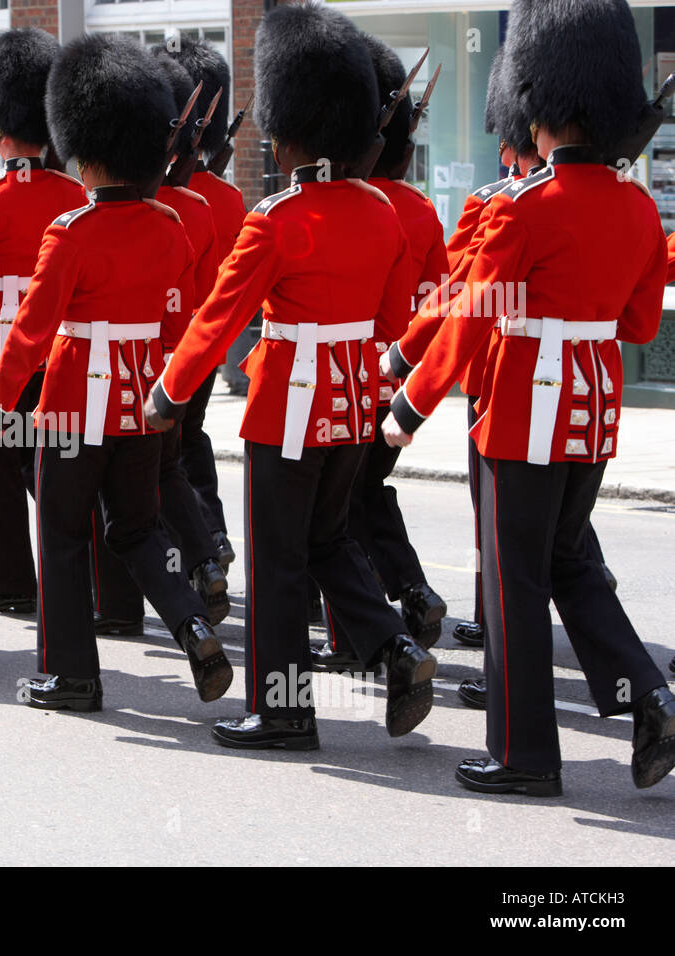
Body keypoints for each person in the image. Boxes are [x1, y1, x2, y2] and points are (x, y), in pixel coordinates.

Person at [383, 0, 675, 795]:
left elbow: (472, 316)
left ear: (538, 105)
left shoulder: (521, 206)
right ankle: (649, 695)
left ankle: (524, 755)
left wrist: (410, 403)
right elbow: (641, 320)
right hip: (592, 409)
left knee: (516, 581)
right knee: (572, 561)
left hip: (523, 411)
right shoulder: (641, 208)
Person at [146, 1, 437, 750]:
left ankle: (283, 711)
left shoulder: (277, 219)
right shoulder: (380, 211)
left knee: (279, 561)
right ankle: (393, 648)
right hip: (351, 400)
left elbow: (217, 317)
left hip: (289, 408)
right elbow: (386, 320)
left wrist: (171, 390)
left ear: (292, 133)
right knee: (331, 540)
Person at [0, 33, 231, 713]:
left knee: (61, 536)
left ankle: (71, 675)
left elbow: (32, 327)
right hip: (140, 401)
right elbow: (179, 323)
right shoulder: (169, 225)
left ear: (83, 152)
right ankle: (193, 625)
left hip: (69, 408)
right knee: (136, 529)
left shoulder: (70, 231)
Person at [311, 32, 448, 673]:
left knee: (337, 514)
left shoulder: (358, 208)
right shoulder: (419, 209)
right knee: (365, 497)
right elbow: (438, 298)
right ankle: (414, 592)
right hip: (396, 377)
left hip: (351, 373)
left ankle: (355, 637)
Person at [89, 50, 228, 633]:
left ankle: (128, 600)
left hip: (131, 367)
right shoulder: (206, 203)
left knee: (123, 494)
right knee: (171, 467)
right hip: (187, 357)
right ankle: (204, 553)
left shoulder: (147, 213)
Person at [0, 27, 87, 619]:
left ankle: (13, 580)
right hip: (57, 351)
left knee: (1, 472)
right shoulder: (73, 196)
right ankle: (82, 572)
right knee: (56, 464)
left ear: (3, 131)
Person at [161, 34, 245, 569]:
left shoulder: (173, 201)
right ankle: (209, 533)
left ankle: (193, 548)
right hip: (208, 343)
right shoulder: (229, 198)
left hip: (165, 341)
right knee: (190, 438)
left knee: (166, 455)